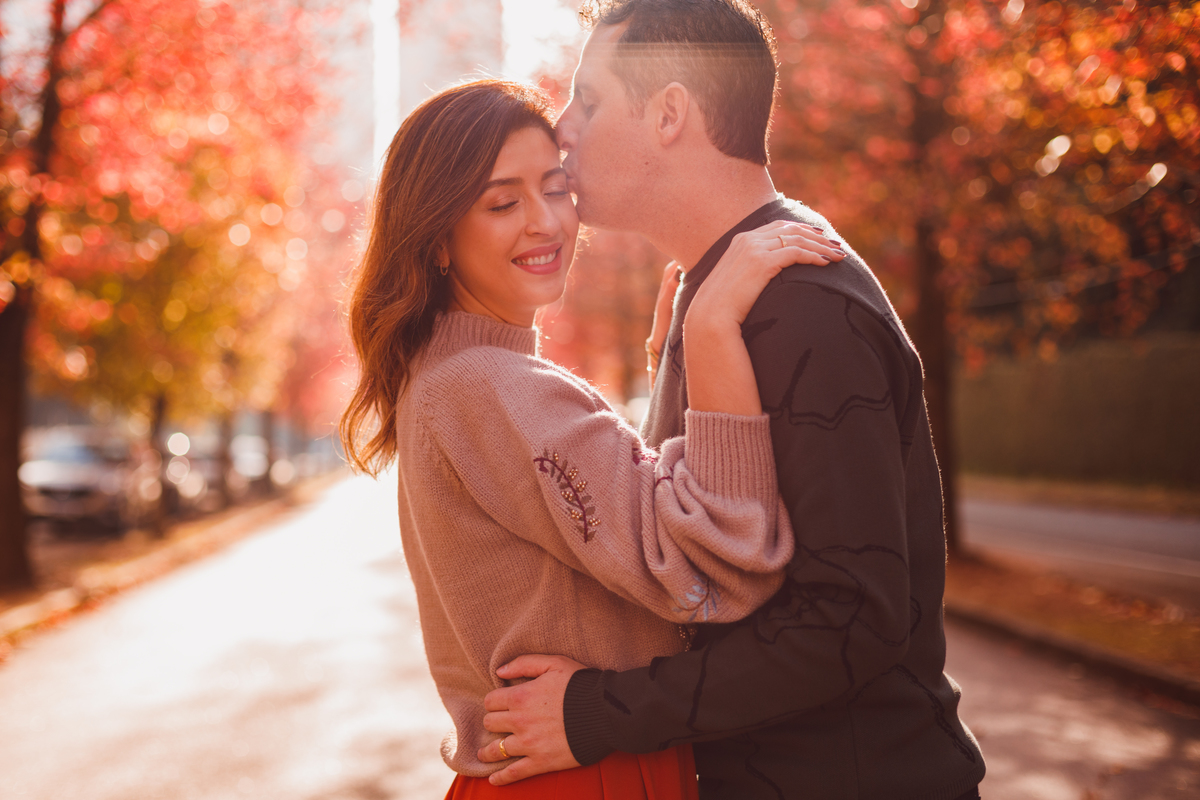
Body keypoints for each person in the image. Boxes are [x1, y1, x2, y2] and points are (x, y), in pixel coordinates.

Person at [475, 2, 987, 799]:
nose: (563, 127)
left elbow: (849, 619)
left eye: (592, 99)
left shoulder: (805, 304)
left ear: (670, 113)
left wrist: (597, 713)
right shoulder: (721, 293)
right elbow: (706, 562)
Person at [338, 79, 844, 799]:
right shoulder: (492, 387)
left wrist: (665, 379)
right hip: (585, 776)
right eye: (502, 202)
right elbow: (718, 565)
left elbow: (600, 541)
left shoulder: (450, 377)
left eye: (555, 187)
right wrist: (710, 331)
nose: (545, 222)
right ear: (438, 239)